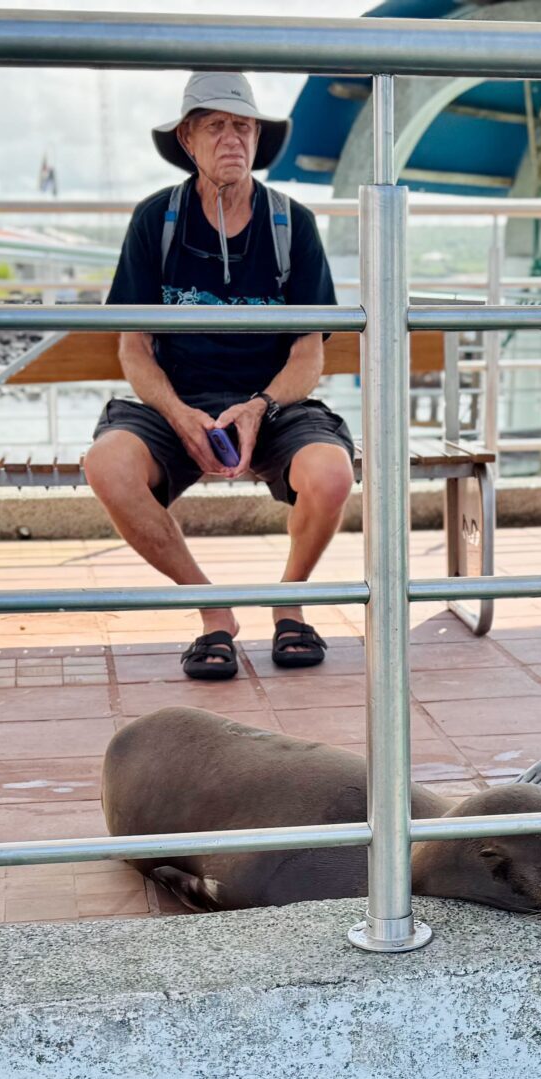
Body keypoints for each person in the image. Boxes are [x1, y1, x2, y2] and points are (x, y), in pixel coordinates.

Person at [82, 72, 354, 682]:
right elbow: (134, 348)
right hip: (176, 400)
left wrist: (258, 408)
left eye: (244, 126)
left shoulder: (292, 224)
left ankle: (289, 603)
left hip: (274, 402)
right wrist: (179, 415)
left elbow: (309, 353)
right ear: (187, 138)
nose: (232, 139)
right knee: (107, 465)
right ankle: (213, 614)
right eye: (215, 125)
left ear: (258, 137)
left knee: (332, 475)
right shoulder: (158, 220)